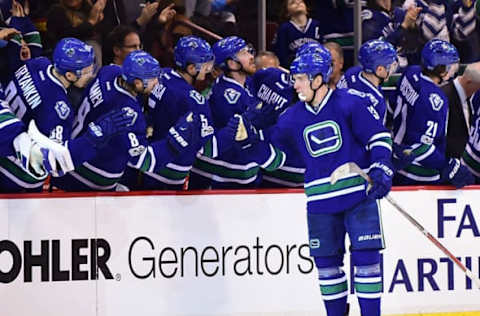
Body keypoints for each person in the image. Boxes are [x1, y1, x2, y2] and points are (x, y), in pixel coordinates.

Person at [247, 49, 393, 315]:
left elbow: (379, 138)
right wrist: (251, 142)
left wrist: (382, 167)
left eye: (301, 78)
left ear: (318, 79)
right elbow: (275, 159)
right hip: (319, 204)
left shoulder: (350, 103)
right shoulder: (291, 118)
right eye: (294, 78)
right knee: (327, 267)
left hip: (359, 198)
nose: (296, 84)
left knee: (367, 261)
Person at [51, 49, 213, 191]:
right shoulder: (129, 115)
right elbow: (145, 161)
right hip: (88, 180)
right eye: (152, 79)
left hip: (74, 154)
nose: (157, 83)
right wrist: (175, 142)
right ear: (137, 82)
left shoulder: (109, 72)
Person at [0, 37, 133, 192]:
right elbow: (56, 163)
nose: (90, 75)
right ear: (70, 75)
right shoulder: (59, 110)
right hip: (17, 176)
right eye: (86, 71)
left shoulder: (38, 63)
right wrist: (92, 139)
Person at [133, 35, 236, 190]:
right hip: (172, 170)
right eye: (205, 65)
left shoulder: (162, 75)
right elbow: (208, 147)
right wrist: (236, 129)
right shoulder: (194, 101)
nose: (208, 70)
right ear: (191, 68)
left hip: (151, 157)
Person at [189, 36, 285, 189]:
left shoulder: (245, 86)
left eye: (249, 51)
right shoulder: (227, 96)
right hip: (220, 179)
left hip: (234, 177)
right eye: (244, 53)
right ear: (232, 63)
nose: (252, 56)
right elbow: (244, 139)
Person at [392, 38, 474, 188]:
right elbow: (423, 147)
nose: (454, 69)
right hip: (417, 171)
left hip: (397, 158)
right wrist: (447, 165)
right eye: (451, 65)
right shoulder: (435, 100)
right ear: (441, 70)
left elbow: (392, 104)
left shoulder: (410, 73)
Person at [337, 39, 398, 124]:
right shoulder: (376, 102)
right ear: (379, 70)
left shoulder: (352, 72)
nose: (392, 69)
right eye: (390, 66)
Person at [272, 0, 323, 68]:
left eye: (301, 1)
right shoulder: (284, 28)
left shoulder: (317, 25)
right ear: (287, 12)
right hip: (294, 69)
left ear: (306, 9)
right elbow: (281, 55)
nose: (298, 3)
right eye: (293, 2)